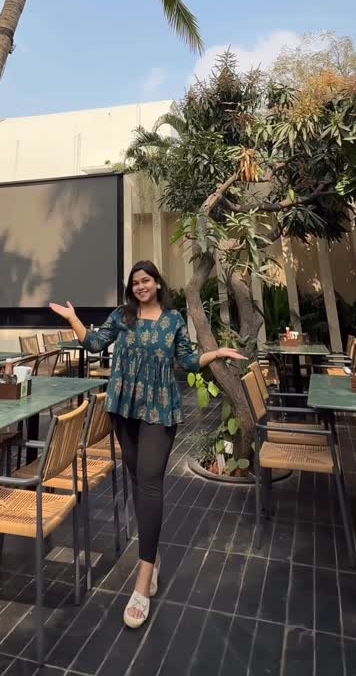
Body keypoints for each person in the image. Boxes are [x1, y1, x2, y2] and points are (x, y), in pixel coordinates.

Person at [49, 260, 246, 629]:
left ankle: (142, 580)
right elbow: (94, 344)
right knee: (139, 482)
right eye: (135, 282)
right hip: (123, 407)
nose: (140, 286)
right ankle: (152, 556)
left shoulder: (172, 320)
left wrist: (216, 353)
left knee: (151, 481)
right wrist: (73, 318)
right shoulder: (122, 316)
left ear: (157, 283)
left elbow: (188, 361)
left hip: (159, 408)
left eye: (146, 280)